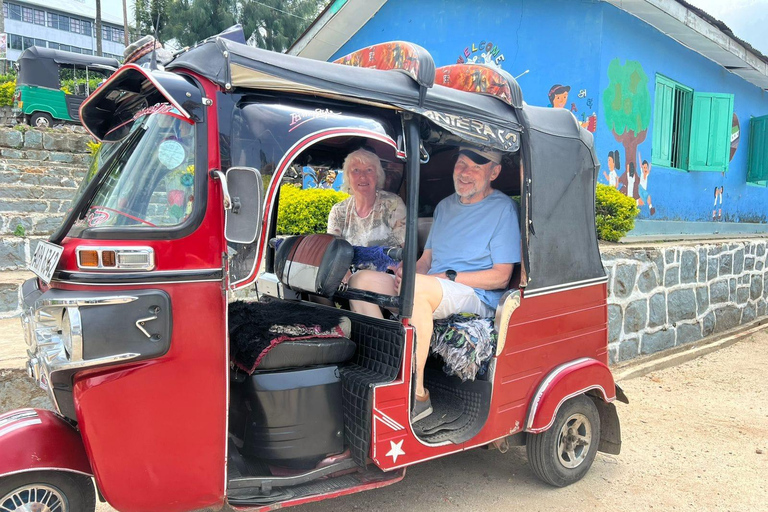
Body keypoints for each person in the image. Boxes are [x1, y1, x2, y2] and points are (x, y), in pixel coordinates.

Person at [348, 146, 521, 422]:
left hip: (474, 291)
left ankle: (417, 395)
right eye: (461, 164)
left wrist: (446, 278)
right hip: (433, 284)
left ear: (494, 172)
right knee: (361, 281)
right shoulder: (444, 207)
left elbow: (500, 276)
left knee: (417, 289)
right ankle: (386, 367)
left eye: (476, 167)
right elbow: (426, 262)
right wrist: (406, 270)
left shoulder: (503, 209)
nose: (464, 173)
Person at [327, 148, 406, 248]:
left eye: (369, 170)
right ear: (348, 176)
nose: (363, 176)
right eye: (356, 170)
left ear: (377, 175)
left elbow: (408, 251)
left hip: (389, 263)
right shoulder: (338, 211)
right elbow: (332, 252)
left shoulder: (393, 204)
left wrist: (397, 264)